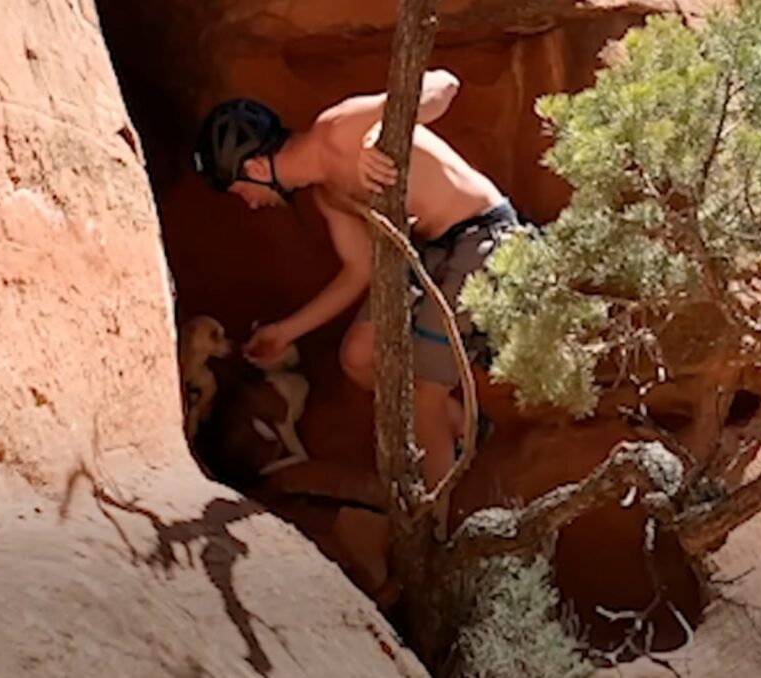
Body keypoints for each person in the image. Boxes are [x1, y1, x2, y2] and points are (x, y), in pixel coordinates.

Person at [192, 69, 525, 489]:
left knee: (425, 393)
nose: (252, 205)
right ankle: (466, 429)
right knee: (359, 356)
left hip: (483, 234)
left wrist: (383, 133)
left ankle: (435, 529)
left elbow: (445, 84)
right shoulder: (328, 194)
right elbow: (359, 272)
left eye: (241, 192)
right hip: (427, 252)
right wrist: (284, 332)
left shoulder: (339, 128)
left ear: (256, 167)